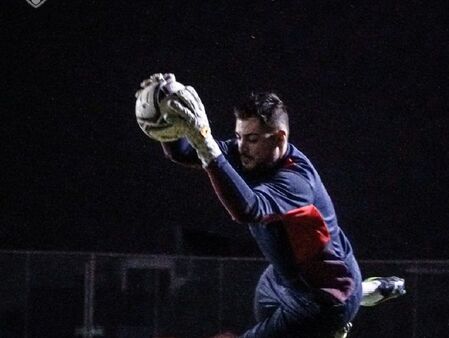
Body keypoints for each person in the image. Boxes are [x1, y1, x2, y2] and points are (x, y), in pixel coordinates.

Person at [136, 74, 404, 337]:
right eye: (238, 136)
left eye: (251, 139)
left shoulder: (297, 181)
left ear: (279, 138)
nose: (241, 147)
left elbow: (248, 209)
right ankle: (358, 299)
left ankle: (340, 317)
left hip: (324, 297)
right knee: (264, 308)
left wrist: (205, 142)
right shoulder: (252, 153)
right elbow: (185, 152)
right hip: (284, 277)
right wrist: (165, 120)